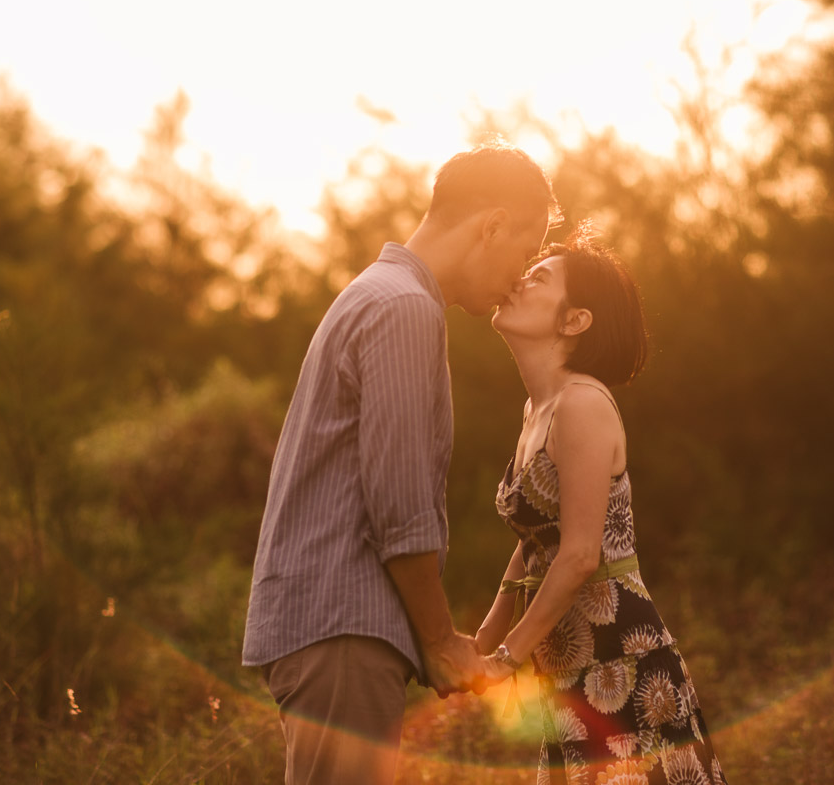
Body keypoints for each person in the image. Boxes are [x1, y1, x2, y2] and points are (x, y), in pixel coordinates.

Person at [242, 142, 560, 785]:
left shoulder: (381, 294)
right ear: (491, 225)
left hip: (331, 627)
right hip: (341, 629)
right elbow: (400, 504)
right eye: (525, 252)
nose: (520, 277)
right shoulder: (404, 308)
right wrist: (440, 640)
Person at [474, 229, 729, 784]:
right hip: (567, 663)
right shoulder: (536, 409)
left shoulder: (583, 403)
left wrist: (506, 659)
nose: (519, 279)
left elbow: (580, 554)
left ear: (575, 321)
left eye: (540, 277)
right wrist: (482, 643)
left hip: (621, 659)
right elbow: (535, 544)